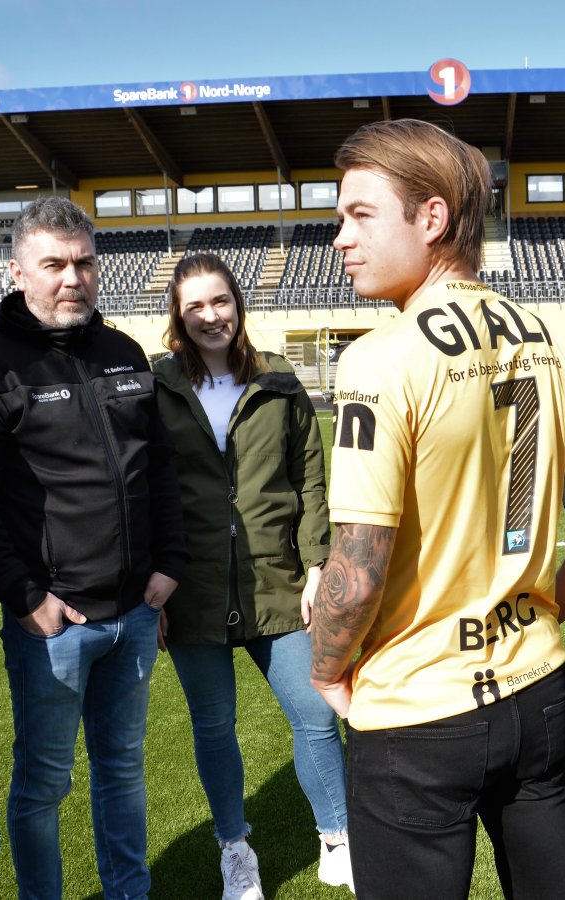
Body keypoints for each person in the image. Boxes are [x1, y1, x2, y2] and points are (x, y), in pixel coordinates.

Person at [308, 118, 565, 900]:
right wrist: (532, 607)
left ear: (431, 219)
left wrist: (326, 668)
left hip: (417, 710)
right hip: (536, 687)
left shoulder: (379, 358)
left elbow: (355, 575)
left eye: (360, 215)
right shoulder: (555, 344)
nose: (339, 238)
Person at [0, 196, 187, 900]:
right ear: (18, 271)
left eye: (83, 262)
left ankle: (129, 893)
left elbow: (159, 466)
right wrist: (25, 597)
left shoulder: (123, 352)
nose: (71, 278)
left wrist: (170, 561)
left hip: (136, 615)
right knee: (44, 783)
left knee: (123, 770)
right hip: (55, 624)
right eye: (53, 264)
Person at [152, 252, 349, 898]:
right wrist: (152, 585)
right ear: (178, 318)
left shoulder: (281, 379)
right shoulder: (157, 385)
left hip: (279, 582)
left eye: (221, 302)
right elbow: (143, 489)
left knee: (316, 715)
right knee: (214, 727)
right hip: (193, 592)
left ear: (239, 304)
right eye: (195, 307)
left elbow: (311, 477)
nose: (211, 316)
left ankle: (337, 838)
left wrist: (318, 563)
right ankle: (235, 849)